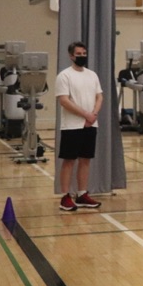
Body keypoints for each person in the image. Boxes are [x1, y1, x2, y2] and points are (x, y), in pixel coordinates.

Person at [55, 41, 104, 211]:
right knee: (69, 161)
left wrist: (93, 115)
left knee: (85, 160)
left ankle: (82, 194)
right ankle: (65, 196)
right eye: (78, 54)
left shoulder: (92, 75)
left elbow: (99, 97)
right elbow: (64, 100)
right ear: (71, 56)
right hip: (72, 126)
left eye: (84, 53)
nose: (82, 56)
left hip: (90, 124)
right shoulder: (64, 76)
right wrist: (85, 114)